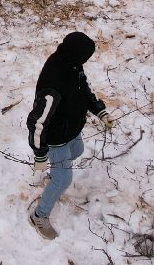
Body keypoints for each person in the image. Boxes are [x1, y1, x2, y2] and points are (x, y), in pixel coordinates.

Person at [26, 32, 113, 240]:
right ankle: (39, 215)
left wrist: (99, 110)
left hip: (71, 129)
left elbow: (84, 90)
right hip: (56, 138)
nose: (86, 62)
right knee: (64, 179)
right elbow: (37, 122)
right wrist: (40, 154)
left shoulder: (72, 65)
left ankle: (53, 177)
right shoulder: (53, 83)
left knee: (78, 150)